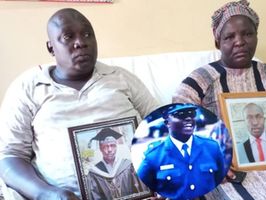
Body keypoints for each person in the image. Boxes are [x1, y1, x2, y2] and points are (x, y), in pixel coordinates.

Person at [0, 8, 158, 200]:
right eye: (68, 36)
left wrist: (165, 180)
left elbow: (162, 128)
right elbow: (10, 157)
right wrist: (46, 194)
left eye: (87, 34)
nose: (81, 43)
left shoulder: (122, 78)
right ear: (51, 48)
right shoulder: (29, 88)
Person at [173, 0, 266, 179]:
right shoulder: (199, 81)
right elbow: (175, 132)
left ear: (256, 36)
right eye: (229, 37)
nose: (239, 42)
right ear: (218, 42)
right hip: (222, 175)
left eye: (247, 34)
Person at [137, 104, 226, 200]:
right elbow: (141, 190)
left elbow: (221, 181)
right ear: (167, 123)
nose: (188, 118)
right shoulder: (154, 156)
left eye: (192, 114)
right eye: (180, 115)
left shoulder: (212, 147)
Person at [86, 128, 148, 200]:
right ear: (100, 148)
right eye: (105, 146)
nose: (109, 150)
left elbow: (139, 190)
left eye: (112, 145)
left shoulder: (128, 166)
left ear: (116, 146)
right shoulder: (94, 173)